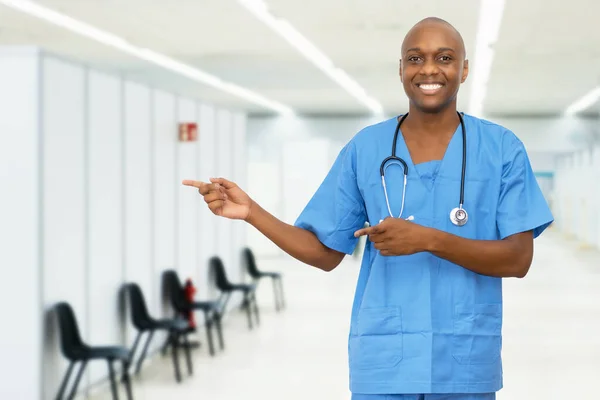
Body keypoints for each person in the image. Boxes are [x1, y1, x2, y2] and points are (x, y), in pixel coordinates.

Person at [183, 17, 553, 400]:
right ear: (401, 69)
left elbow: (517, 259)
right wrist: (252, 213)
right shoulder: (367, 149)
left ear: (464, 69)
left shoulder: (501, 148)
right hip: (384, 360)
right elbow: (324, 251)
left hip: (464, 360)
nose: (428, 69)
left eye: (444, 57)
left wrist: (427, 239)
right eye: (415, 58)